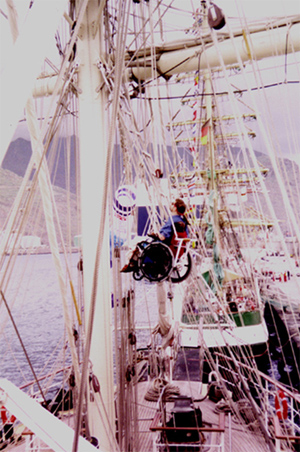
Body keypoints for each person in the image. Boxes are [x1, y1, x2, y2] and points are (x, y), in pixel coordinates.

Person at [121, 198, 189, 272]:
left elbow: (163, 237)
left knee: (136, 240)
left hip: (162, 247)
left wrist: (156, 234)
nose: (170, 205)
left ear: (175, 207)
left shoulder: (173, 221)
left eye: (172, 204)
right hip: (175, 248)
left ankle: (132, 263)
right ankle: (133, 263)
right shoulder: (182, 221)